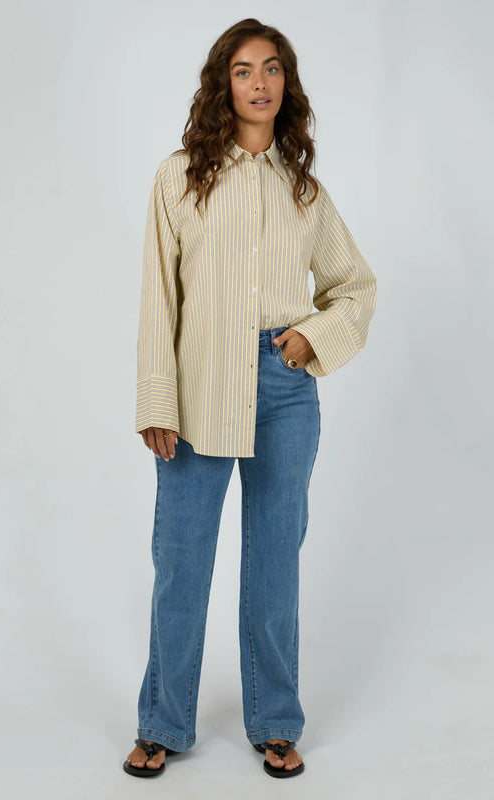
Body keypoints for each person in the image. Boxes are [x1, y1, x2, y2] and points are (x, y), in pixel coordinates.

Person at [123, 18, 377, 780]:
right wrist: (156, 399)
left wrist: (311, 338)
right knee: (181, 563)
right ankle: (162, 723)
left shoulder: (303, 189)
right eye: (242, 70)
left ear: (285, 84)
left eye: (270, 68)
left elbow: (354, 287)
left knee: (274, 566)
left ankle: (274, 721)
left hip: (283, 391)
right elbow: (158, 298)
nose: (258, 82)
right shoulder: (179, 178)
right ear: (222, 83)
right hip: (199, 384)